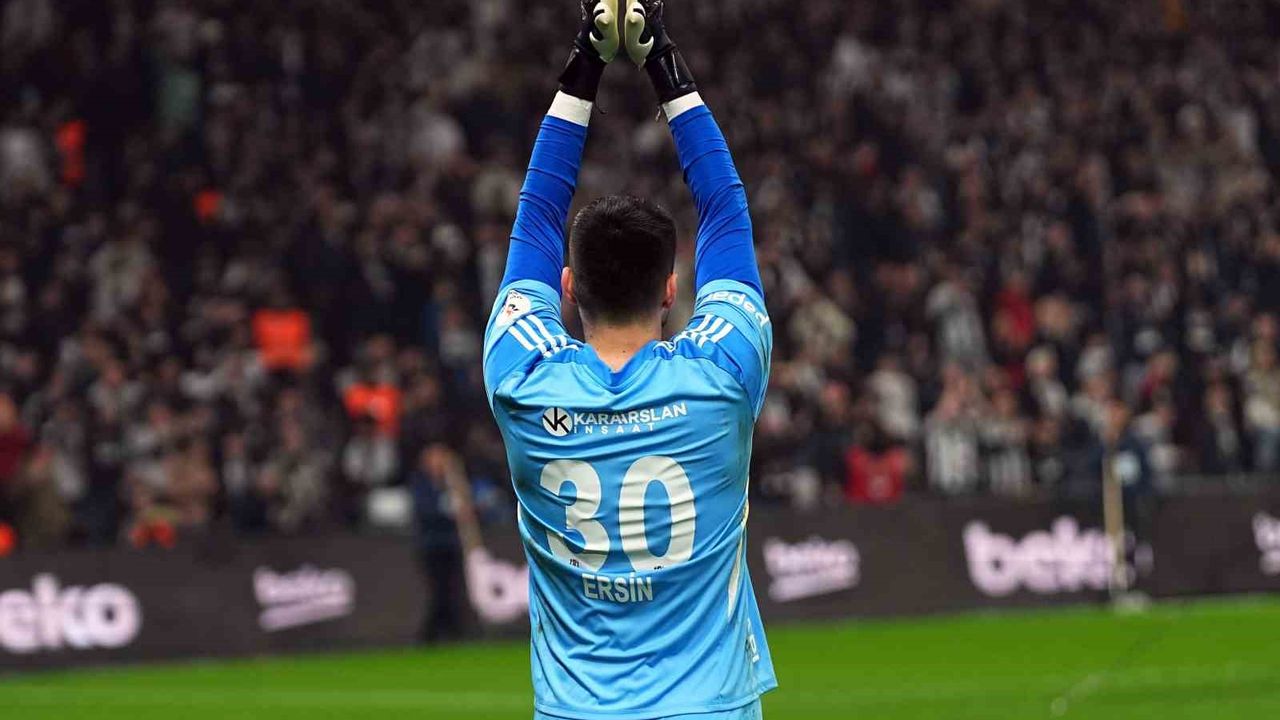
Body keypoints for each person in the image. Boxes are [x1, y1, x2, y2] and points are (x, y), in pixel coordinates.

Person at [481, 2, 776, 718]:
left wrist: (584, 64)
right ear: (673, 290)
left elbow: (537, 216)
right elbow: (725, 209)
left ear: (568, 287)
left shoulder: (521, 377)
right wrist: (662, 60)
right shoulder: (720, 377)